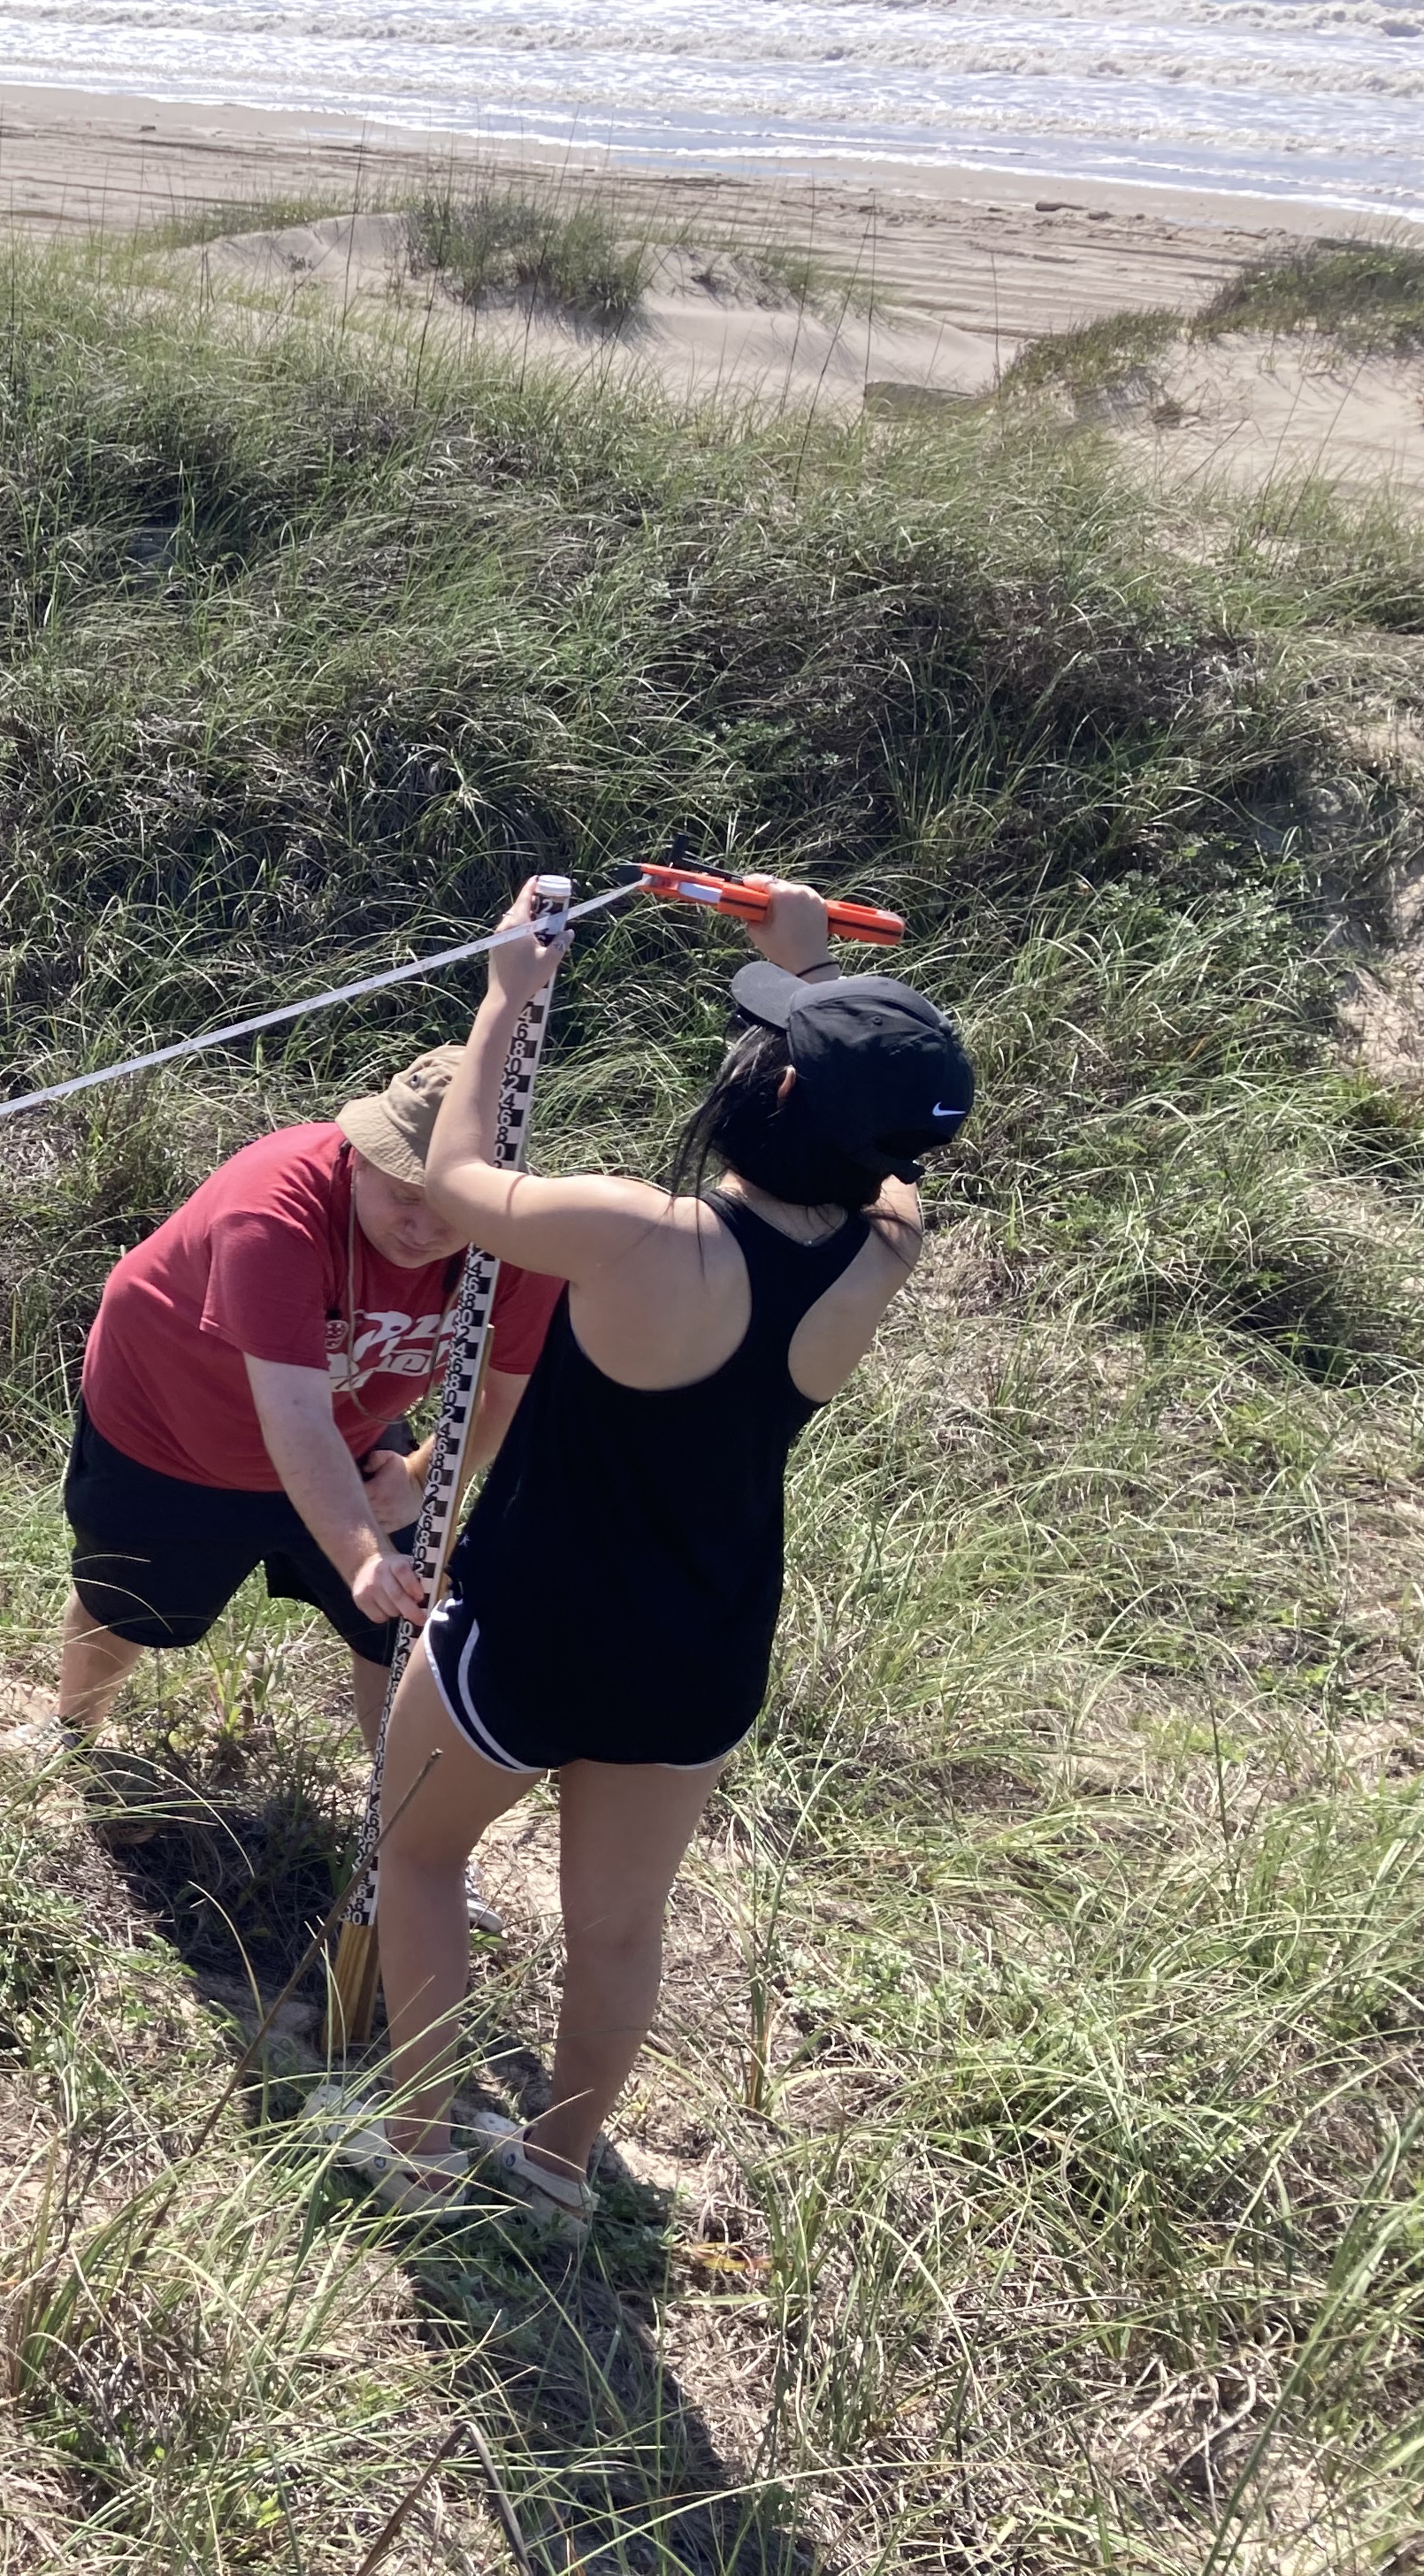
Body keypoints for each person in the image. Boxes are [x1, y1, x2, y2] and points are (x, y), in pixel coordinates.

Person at [352, 879, 968, 2237]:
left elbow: (459, 1182)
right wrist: (808, 977)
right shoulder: (886, 1247)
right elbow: (853, 1152)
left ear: (772, 1097)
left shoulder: (641, 1233)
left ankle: (417, 2148)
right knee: (620, 1931)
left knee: (422, 1858)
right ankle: (562, 2174)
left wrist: (507, 995)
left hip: (535, 1618)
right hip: (699, 1647)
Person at [54, 1044, 561, 1776]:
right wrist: (361, 1558)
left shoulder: (518, 1240)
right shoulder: (274, 1207)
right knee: (126, 1603)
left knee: (402, 1623)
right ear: (360, 1154)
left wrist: (419, 1473)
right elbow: (293, 1413)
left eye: (451, 1204)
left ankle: (394, 1830)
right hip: (172, 1424)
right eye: (404, 1194)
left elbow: (508, 1391)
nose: (423, 1228)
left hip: (353, 1420)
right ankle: (71, 1739)